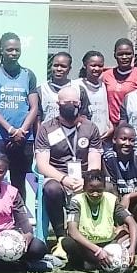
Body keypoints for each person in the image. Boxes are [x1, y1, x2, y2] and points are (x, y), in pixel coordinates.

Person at [34, 85, 102, 240]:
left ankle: (95, 234)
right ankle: (61, 236)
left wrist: (85, 180)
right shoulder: (46, 128)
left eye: (74, 102)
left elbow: (95, 160)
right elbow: (42, 165)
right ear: (58, 104)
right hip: (57, 177)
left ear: (80, 103)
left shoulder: (90, 128)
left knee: (104, 187)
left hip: (84, 177)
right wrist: (64, 179)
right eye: (66, 102)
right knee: (52, 189)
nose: (71, 105)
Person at [0, 33, 39, 201]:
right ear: (2, 50)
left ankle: (19, 215)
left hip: (23, 138)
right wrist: (10, 130)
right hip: (0, 137)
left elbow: (34, 107)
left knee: (19, 181)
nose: (13, 53)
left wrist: (21, 131)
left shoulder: (28, 74)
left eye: (17, 50)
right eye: (9, 50)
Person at [62, 169, 137, 272]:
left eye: (99, 190)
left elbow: (132, 224)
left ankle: (98, 262)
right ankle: (97, 261)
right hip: (87, 246)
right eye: (91, 190)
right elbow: (72, 232)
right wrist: (98, 250)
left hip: (110, 244)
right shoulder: (76, 201)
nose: (95, 194)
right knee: (68, 242)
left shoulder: (112, 200)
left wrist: (132, 248)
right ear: (84, 188)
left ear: (104, 188)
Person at [103, 38, 137, 131]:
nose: (124, 57)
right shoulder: (106, 75)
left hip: (132, 125)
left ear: (133, 55)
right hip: (111, 125)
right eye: (120, 54)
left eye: (128, 54)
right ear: (115, 55)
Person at [76, 50, 110, 138]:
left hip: (103, 136)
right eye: (93, 65)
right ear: (85, 65)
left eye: (100, 66)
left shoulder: (103, 85)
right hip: (84, 136)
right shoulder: (77, 85)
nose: (97, 69)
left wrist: (110, 127)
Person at [38, 52, 78, 123]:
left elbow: (83, 115)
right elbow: (37, 118)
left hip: (71, 130)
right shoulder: (41, 90)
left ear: (69, 68)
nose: (59, 69)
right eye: (56, 65)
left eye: (63, 66)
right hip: (47, 129)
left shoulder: (78, 88)